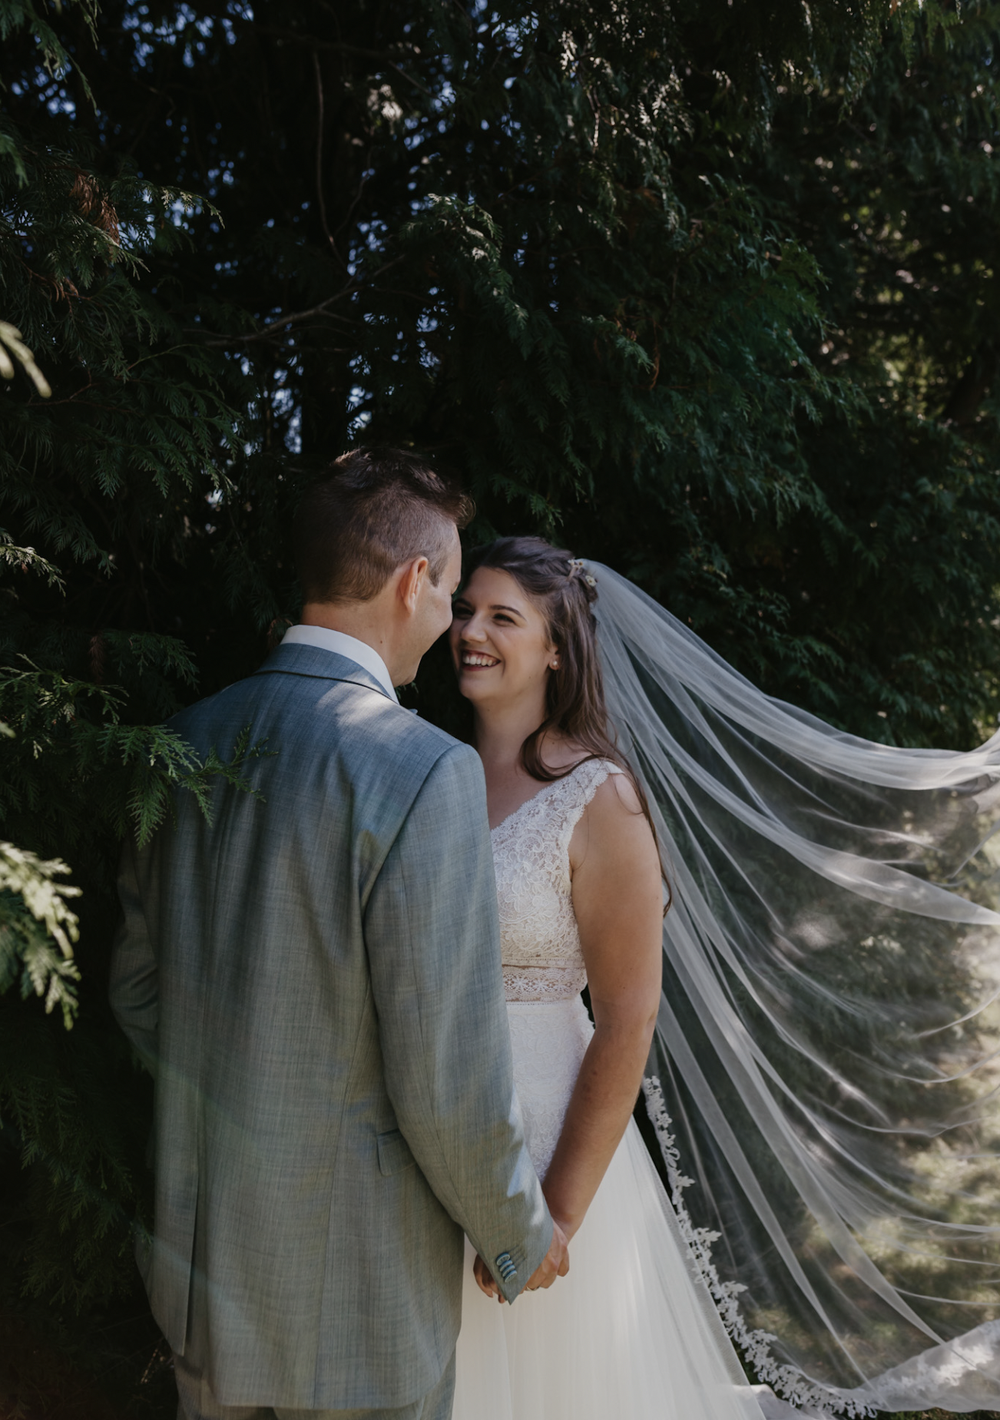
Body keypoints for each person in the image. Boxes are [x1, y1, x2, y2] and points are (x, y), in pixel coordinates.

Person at [108, 451, 567, 1420]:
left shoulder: (184, 737)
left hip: (199, 1266)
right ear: (413, 581)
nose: (449, 625)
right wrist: (516, 1232)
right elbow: (444, 1073)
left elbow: (139, 992)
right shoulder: (420, 769)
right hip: (360, 1293)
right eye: (448, 595)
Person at [446, 536, 772, 1420]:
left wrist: (555, 1216)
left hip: (547, 1143)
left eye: (502, 617)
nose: (471, 631)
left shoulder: (600, 798)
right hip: (434, 1135)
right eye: (466, 610)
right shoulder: (432, 773)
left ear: (557, 647)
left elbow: (629, 1018)